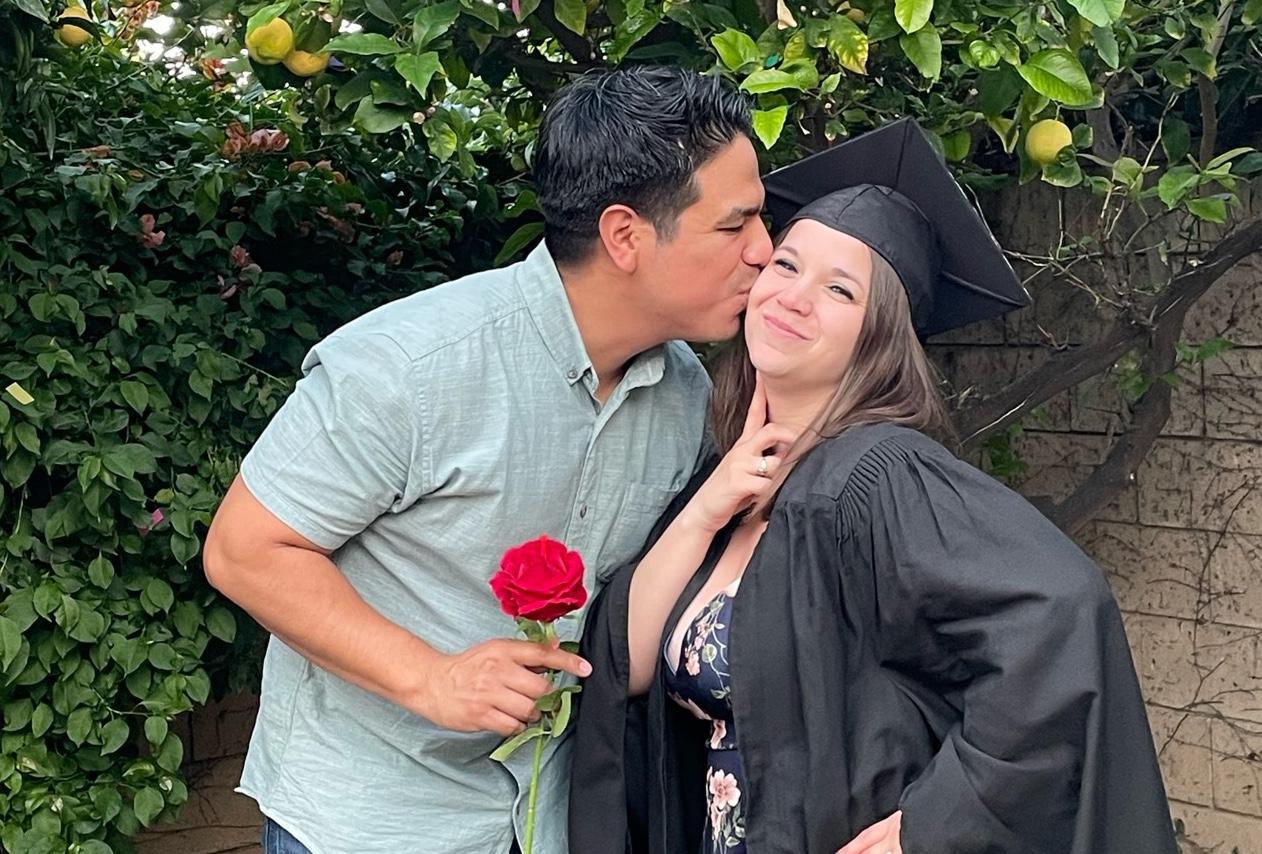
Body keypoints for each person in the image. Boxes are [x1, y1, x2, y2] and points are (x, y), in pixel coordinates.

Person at [201, 66, 773, 854]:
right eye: (735, 226)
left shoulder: (684, 395)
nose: (764, 251)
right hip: (368, 817)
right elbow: (244, 550)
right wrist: (430, 677)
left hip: (550, 818)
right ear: (625, 236)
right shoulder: (410, 366)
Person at [568, 118, 1176, 854]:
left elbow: (1061, 613)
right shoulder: (727, 483)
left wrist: (933, 825)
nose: (794, 297)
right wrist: (705, 510)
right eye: (786, 266)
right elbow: (624, 671)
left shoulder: (879, 476)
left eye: (840, 289)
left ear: (879, 334)